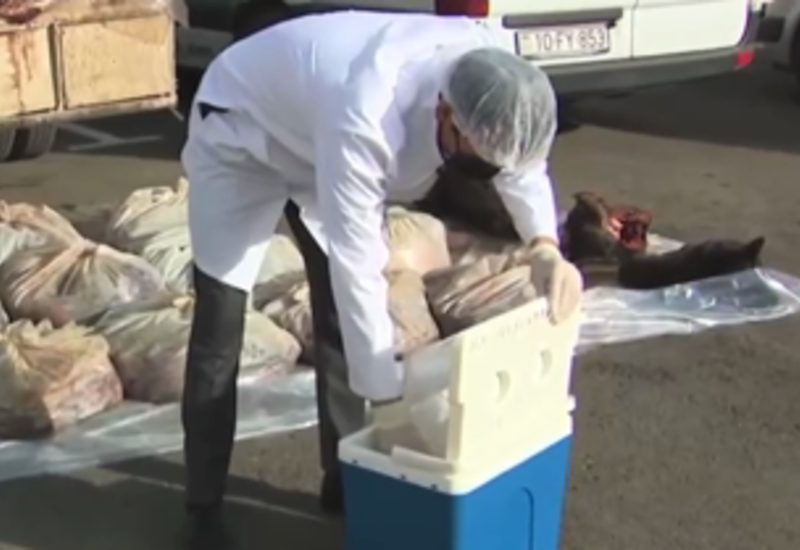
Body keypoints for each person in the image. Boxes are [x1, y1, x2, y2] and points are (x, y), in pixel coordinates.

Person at [179, 9, 583, 550]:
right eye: (479, 157)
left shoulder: (496, 80)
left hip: (316, 129)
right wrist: (387, 398)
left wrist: (544, 247)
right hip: (244, 129)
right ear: (446, 113)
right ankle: (203, 506)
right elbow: (360, 264)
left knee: (336, 317)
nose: (489, 174)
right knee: (220, 323)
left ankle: (347, 476)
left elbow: (522, 164)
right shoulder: (368, 113)